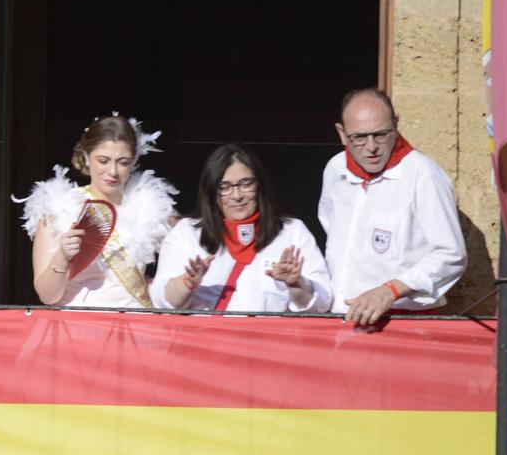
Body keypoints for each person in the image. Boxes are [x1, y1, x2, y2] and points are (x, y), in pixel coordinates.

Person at [318, 87, 466, 328]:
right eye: (359, 137)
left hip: (402, 323)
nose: (371, 146)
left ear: (396, 125)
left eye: (381, 134)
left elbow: (451, 255)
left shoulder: (423, 173)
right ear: (342, 134)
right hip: (341, 320)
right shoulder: (335, 170)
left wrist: (390, 291)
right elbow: (334, 235)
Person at [152, 144, 333, 314]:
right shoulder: (187, 233)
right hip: (206, 344)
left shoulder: (292, 232)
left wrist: (297, 284)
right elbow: (161, 301)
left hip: (271, 344)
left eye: (246, 184)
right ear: (211, 191)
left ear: (259, 185)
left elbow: (324, 301)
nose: (237, 195)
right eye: (225, 187)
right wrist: (187, 284)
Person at [20, 114, 179, 307]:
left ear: (134, 160)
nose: (113, 171)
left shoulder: (151, 209)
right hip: (79, 327)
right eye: (103, 160)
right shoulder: (59, 209)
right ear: (86, 157)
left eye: (123, 162)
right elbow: (47, 296)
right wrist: (62, 257)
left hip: (136, 324)